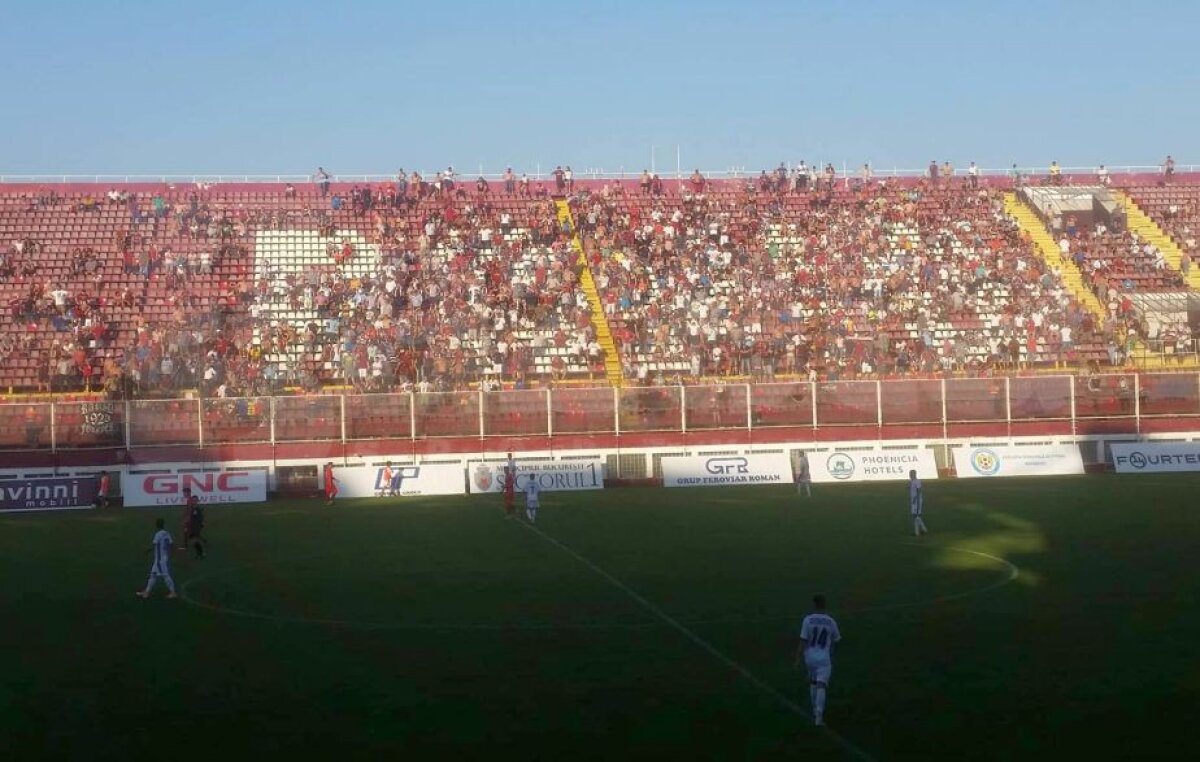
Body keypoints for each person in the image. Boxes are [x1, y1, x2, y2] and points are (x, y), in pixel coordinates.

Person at [795, 594, 841, 726]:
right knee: (822, 685)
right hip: (824, 658)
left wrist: (798, 659)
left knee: (813, 682)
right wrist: (832, 654)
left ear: (814, 605)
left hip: (809, 657)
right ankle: (819, 717)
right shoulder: (831, 621)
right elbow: (837, 640)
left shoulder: (808, 620)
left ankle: (815, 710)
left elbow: (803, 641)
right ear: (825, 605)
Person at [136, 518, 177, 599]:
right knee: (153, 575)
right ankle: (146, 592)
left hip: (159, 560)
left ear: (157, 525)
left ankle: (173, 592)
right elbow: (171, 544)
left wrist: (147, 550)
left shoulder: (158, 534)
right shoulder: (167, 533)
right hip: (163, 557)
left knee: (165, 575)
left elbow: (153, 545)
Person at [182, 487, 206, 559]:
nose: (184, 494)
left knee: (193, 539)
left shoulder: (190, 501)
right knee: (193, 538)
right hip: (193, 523)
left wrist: (186, 522)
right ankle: (200, 553)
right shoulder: (190, 501)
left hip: (193, 524)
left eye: (185, 492)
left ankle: (201, 553)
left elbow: (190, 513)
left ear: (188, 493)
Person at [909, 469, 928, 536]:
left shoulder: (917, 481)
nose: (910, 475)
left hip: (917, 501)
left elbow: (919, 490)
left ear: (914, 474)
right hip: (914, 501)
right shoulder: (912, 481)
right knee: (915, 516)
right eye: (910, 474)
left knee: (916, 516)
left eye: (911, 474)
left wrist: (915, 498)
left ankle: (923, 530)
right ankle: (918, 532)